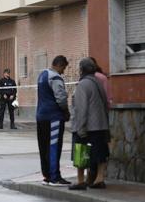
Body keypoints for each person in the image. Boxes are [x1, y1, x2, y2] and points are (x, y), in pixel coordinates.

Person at [68, 58, 110, 190]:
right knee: (100, 152)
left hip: (87, 125)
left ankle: (80, 181)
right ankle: (100, 178)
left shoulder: (83, 84)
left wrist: (80, 128)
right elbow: (105, 103)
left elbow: (81, 108)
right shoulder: (98, 82)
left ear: (81, 70)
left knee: (80, 152)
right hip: (100, 124)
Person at [36, 55, 71, 187]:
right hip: (53, 117)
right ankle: (54, 177)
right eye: (63, 68)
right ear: (59, 65)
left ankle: (46, 175)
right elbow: (61, 98)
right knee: (54, 146)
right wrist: (66, 112)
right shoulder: (55, 77)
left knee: (43, 147)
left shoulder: (42, 75)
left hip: (41, 116)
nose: (63, 71)